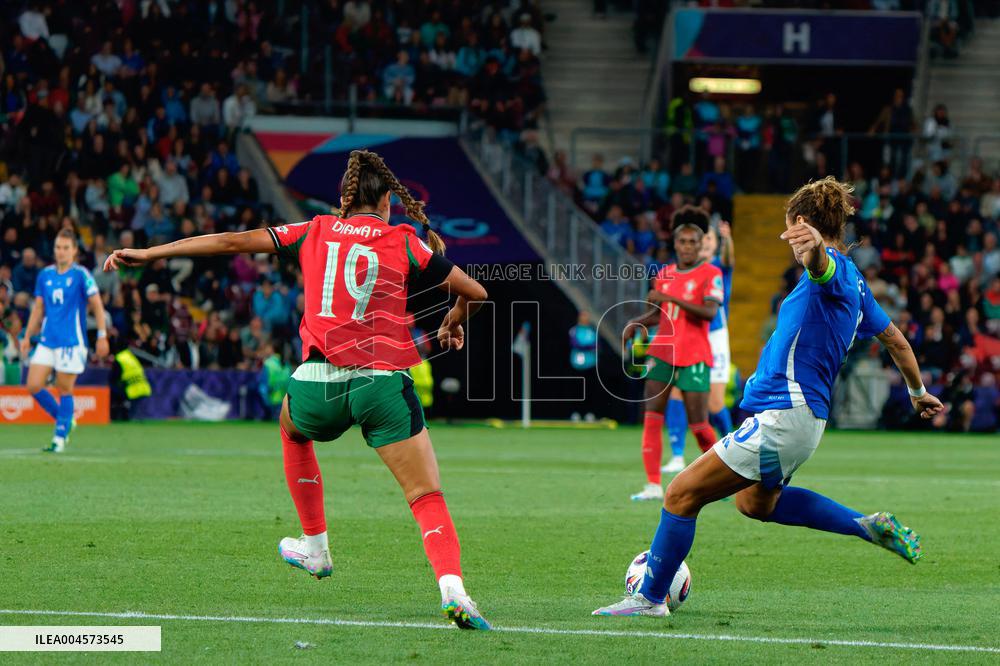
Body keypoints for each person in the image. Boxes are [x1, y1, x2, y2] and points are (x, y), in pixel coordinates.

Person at [104, 149, 492, 630]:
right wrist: (453, 323)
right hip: (381, 384)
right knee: (425, 496)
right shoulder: (406, 242)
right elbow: (476, 294)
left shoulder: (314, 230)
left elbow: (229, 243)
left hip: (317, 383)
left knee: (291, 430)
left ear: (343, 199)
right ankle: (453, 591)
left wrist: (152, 253)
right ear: (388, 201)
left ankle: (315, 547)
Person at [593, 177, 944, 617]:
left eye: (790, 228)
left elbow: (820, 266)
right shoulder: (857, 286)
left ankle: (648, 598)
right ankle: (865, 526)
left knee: (680, 495)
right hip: (806, 421)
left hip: (785, 414)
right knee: (756, 502)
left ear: (801, 224)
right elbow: (897, 342)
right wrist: (918, 391)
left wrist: (815, 248)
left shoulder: (829, 270)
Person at [622, 207, 724, 502]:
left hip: (694, 354)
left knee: (699, 425)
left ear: (701, 243)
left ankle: (729, 478)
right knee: (653, 416)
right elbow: (659, 314)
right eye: (683, 242)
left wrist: (670, 297)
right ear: (675, 244)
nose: (688, 247)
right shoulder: (664, 274)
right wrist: (636, 323)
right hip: (663, 351)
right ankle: (653, 485)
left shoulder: (711, 273)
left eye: (694, 242)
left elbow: (708, 312)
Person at [20, 229, 110, 452]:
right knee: (33, 384)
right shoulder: (45, 275)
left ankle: (59, 438)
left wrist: (102, 335)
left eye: (66, 248)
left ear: (74, 251)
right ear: (54, 250)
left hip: (71, 341)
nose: (61, 252)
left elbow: (97, 305)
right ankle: (65, 419)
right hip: (47, 339)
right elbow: (39, 307)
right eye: (58, 248)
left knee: (64, 388)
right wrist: (27, 335)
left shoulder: (81, 275)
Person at [662, 220, 735, 474]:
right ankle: (677, 455)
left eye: (709, 241)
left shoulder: (718, 268)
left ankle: (734, 453)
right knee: (676, 392)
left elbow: (728, 259)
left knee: (715, 404)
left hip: (714, 338)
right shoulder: (683, 270)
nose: (704, 245)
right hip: (688, 336)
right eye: (702, 241)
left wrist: (727, 240)